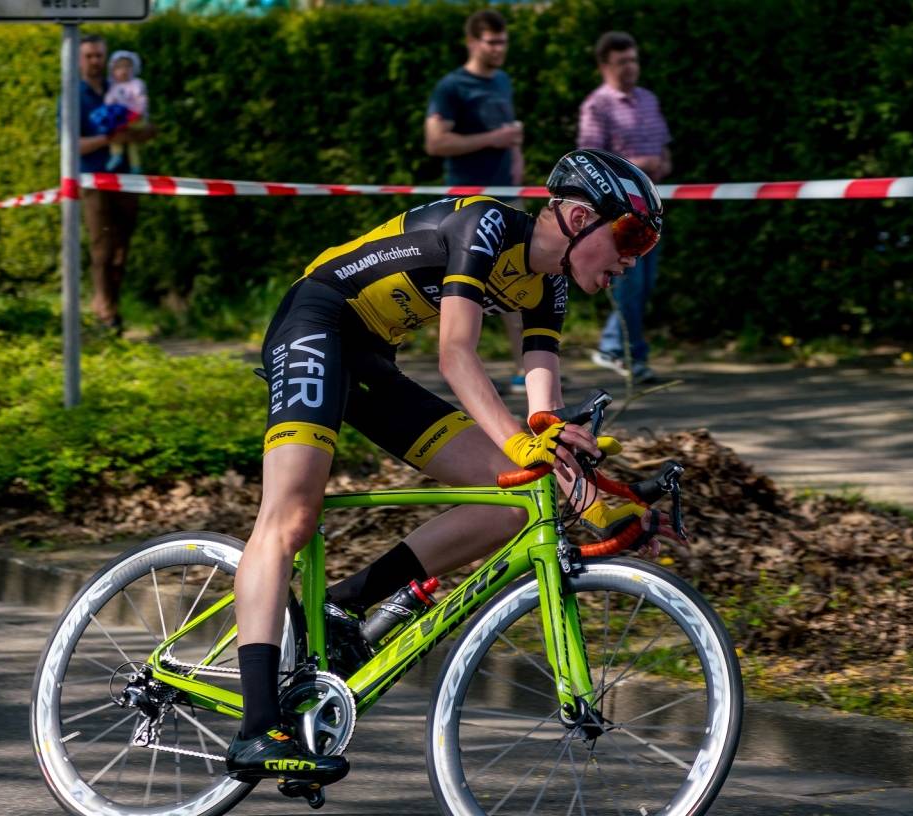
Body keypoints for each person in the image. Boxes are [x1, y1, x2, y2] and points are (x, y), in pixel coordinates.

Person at [223, 149, 664, 786]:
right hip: (315, 323)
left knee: (517, 494)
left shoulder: (550, 283)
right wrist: (519, 443)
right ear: (574, 217)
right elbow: (456, 355)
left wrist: (590, 492)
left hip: (370, 357)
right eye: (629, 236)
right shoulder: (484, 226)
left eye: (642, 245)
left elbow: (541, 416)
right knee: (291, 516)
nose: (630, 259)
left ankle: (339, 612)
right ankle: (257, 728)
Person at [425, 9, 529, 394]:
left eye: (503, 41)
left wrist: (515, 156)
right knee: (460, 287)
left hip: (506, 199)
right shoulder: (452, 87)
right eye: (492, 41)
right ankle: (455, 368)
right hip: (467, 205)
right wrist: (492, 139)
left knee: (518, 281)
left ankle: (523, 372)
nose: (499, 48)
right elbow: (435, 142)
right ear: (473, 42)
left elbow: (510, 136)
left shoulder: (502, 81)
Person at [578, 32, 672, 383]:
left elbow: (664, 147)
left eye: (634, 60)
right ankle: (627, 353)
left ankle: (615, 346)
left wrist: (660, 162)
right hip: (619, 212)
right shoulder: (597, 106)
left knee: (644, 284)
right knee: (629, 284)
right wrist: (639, 163)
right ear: (605, 66)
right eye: (622, 63)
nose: (631, 68)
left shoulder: (648, 99)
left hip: (651, 209)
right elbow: (591, 160)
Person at [74, 34, 154, 336]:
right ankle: (104, 311)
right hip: (94, 180)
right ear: (80, 59)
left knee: (121, 250)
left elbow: (149, 128)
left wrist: (134, 131)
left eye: (99, 56)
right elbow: (70, 145)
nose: (94, 62)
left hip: (128, 179)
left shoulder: (123, 88)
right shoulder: (74, 96)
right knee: (102, 247)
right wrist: (108, 139)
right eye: (89, 56)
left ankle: (112, 309)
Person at [102, 50, 150, 173]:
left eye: (127, 67)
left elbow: (141, 99)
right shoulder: (114, 87)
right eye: (119, 67)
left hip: (134, 118)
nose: (123, 71)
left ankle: (135, 165)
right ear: (112, 71)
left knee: (131, 141)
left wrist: (138, 112)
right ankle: (119, 156)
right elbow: (109, 101)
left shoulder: (136, 84)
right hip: (122, 119)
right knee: (121, 139)